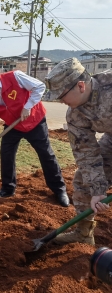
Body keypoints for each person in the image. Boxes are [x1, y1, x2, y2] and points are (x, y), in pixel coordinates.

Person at [0, 64, 69, 207]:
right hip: (13, 125)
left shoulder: (15, 77)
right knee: (6, 153)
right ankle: (7, 188)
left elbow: (39, 86)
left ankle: (59, 190)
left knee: (46, 154)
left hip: (34, 120)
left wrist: (28, 106)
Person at [44, 57, 111, 245]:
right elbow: (86, 154)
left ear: (80, 86)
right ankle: (83, 233)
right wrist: (98, 191)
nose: (60, 99)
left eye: (62, 94)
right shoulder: (75, 115)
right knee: (83, 180)